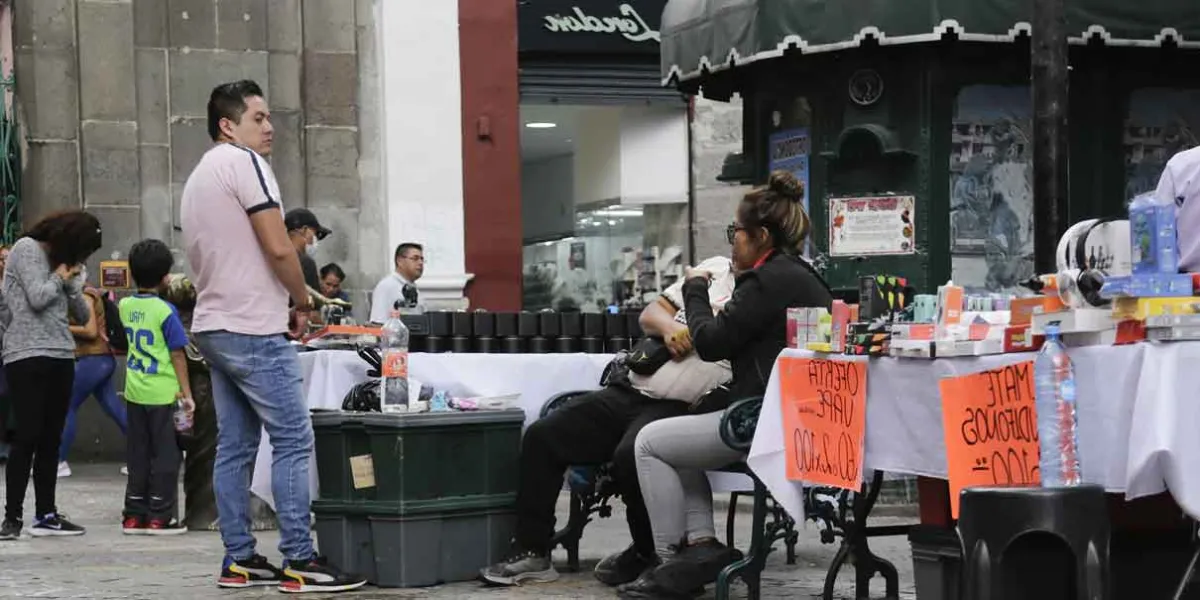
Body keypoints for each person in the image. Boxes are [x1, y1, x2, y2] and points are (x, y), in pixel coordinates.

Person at [180, 79, 365, 592]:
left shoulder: (200, 175)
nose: (269, 127)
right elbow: (280, 247)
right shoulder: (245, 164)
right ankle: (300, 560)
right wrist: (301, 300)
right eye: (258, 118)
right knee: (292, 437)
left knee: (235, 447)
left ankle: (239, 558)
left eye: (267, 118)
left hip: (216, 324)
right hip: (251, 327)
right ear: (228, 125)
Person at [623, 171, 833, 598]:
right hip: (795, 414)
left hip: (761, 422)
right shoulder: (799, 275)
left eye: (736, 232)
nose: (732, 241)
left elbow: (713, 340)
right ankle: (702, 547)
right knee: (677, 444)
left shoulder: (767, 280)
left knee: (647, 443)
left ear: (760, 235)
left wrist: (695, 288)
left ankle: (670, 562)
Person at [478, 256, 737, 588]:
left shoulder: (755, 296)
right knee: (543, 436)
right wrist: (671, 328)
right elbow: (651, 314)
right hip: (631, 389)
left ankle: (651, 554)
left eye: (741, 232)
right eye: (734, 231)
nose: (735, 240)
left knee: (632, 453)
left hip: (680, 404)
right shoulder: (713, 269)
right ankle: (532, 550)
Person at [0, 210, 103, 540]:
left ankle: (46, 514)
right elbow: (38, 297)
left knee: (51, 438)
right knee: (27, 435)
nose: (82, 258)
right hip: (26, 354)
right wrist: (60, 276)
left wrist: (74, 284)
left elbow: (84, 313)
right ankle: (12, 518)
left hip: (61, 353)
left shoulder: (67, 264)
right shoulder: (27, 248)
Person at [119, 239, 193, 535]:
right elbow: (177, 353)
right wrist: (187, 393)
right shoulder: (166, 312)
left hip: (135, 391)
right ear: (165, 277)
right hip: (165, 393)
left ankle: (133, 514)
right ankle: (160, 516)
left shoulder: (124, 305)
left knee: (137, 454)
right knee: (166, 455)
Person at [58, 275, 128, 479]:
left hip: (93, 359)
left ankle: (59, 461)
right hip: (101, 360)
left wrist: (61, 325)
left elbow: (90, 331)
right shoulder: (88, 293)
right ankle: (143, 458)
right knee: (114, 409)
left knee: (66, 405)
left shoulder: (85, 295)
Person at [1154, 146, 1200, 272]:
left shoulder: (1181, 164)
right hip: (1187, 283)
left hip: (1185, 283)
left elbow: (1156, 235)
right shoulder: (1180, 165)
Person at [369, 243, 423, 322]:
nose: (420, 263)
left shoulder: (414, 289)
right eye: (415, 258)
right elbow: (378, 323)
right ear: (399, 261)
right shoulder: (386, 286)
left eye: (422, 259)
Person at [284, 208, 330, 292]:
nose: (315, 239)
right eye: (315, 234)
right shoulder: (305, 263)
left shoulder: (274, 258)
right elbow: (312, 303)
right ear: (304, 230)